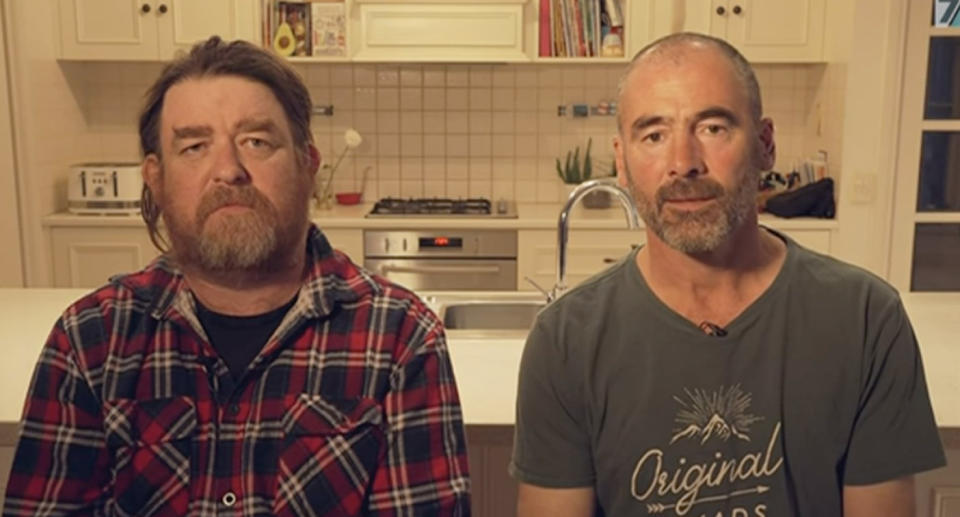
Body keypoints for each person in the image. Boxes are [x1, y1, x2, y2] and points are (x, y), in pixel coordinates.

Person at [3, 37, 470, 516]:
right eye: (194, 146)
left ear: (308, 166)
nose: (227, 170)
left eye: (257, 142)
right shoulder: (89, 342)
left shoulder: (400, 339)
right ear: (156, 179)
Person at [511, 32, 945, 517]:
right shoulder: (565, 341)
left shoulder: (866, 320)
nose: (683, 163)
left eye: (713, 127)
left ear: (765, 145)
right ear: (622, 163)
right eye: (653, 135)